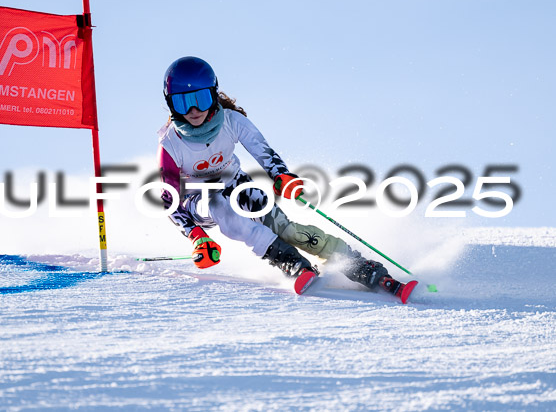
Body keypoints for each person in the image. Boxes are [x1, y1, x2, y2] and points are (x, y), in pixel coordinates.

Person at [157, 56, 407, 296]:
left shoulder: (231, 121)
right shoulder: (170, 143)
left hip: (236, 185)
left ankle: (360, 267)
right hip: (198, 201)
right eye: (182, 102)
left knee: (287, 230)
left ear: (213, 94)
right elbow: (169, 200)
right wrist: (197, 237)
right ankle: (291, 263)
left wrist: (282, 176)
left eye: (200, 99)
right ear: (171, 104)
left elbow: (263, 152)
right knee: (223, 208)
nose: (192, 110)